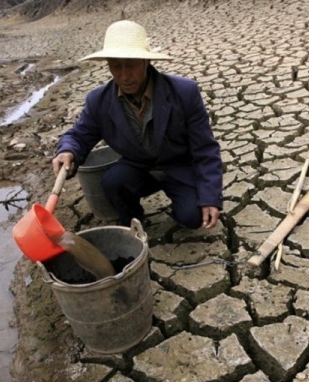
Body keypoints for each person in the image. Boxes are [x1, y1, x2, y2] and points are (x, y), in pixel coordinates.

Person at [52, 20, 223, 229]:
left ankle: (182, 205)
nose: (124, 76)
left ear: (146, 62)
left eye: (131, 65)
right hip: (138, 166)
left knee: (193, 217)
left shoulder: (183, 92)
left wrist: (210, 197)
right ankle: (133, 222)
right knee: (113, 182)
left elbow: (205, 149)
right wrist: (68, 150)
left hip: (178, 166)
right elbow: (79, 135)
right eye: (116, 66)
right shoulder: (99, 100)